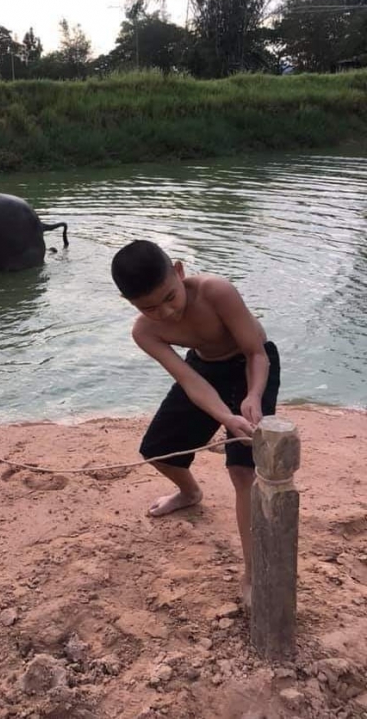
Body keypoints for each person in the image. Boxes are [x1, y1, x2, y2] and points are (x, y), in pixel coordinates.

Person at [110, 240, 280, 604]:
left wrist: (251, 398)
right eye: (149, 307)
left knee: (242, 471)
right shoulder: (145, 332)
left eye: (170, 297)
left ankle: (253, 572)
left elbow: (256, 352)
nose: (166, 313)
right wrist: (223, 416)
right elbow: (190, 380)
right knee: (157, 450)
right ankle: (190, 492)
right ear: (132, 304)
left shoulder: (216, 291)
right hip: (205, 369)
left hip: (251, 365)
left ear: (180, 271)